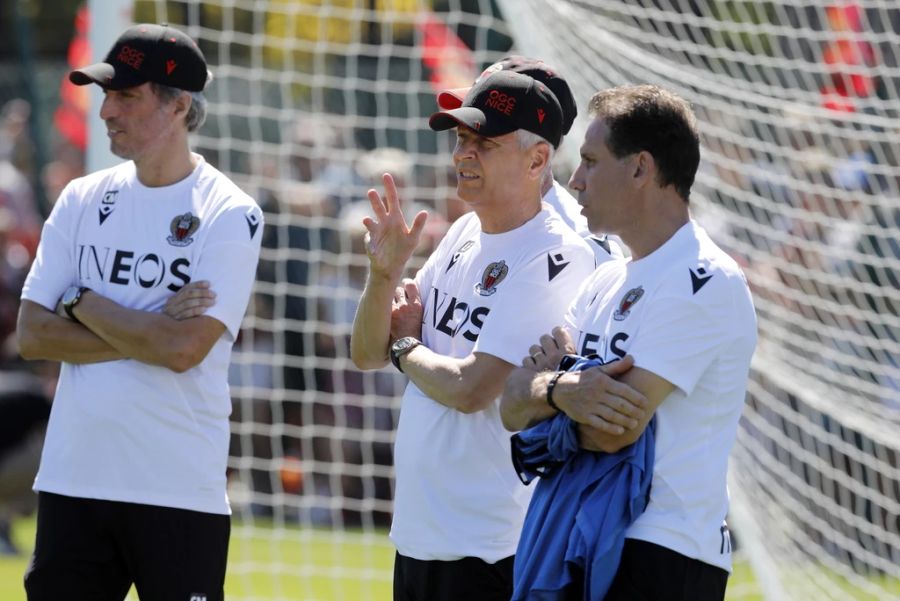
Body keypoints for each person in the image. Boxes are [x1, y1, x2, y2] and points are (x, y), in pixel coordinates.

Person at [16, 23, 263, 601]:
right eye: (106, 94)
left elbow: (183, 350)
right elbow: (31, 334)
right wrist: (140, 324)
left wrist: (79, 305)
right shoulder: (80, 197)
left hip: (178, 490)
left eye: (126, 95)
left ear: (178, 106)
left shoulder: (229, 211)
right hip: (73, 482)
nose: (106, 110)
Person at [350, 69, 605, 601]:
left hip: (493, 547)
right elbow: (365, 352)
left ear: (538, 160)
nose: (463, 154)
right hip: (421, 534)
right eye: (461, 138)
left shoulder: (556, 255)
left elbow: (471, 388)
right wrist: (382, 278)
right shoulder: (465, 231)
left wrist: (407, 348)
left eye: (484, 143)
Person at [500, 84, 758, 600]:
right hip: (580, 531)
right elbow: (510, 403)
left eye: (591, 162)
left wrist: (546, 398)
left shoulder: (704, 279)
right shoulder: (605, 279)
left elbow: (617, 431)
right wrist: (559, 391)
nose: (574, 181)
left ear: (641, 169)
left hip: (664, 550)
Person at [436, 55, 625, 264]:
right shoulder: (466, 226)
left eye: (487, 135)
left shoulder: (581, 244)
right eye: (463, 132)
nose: (464, 149)